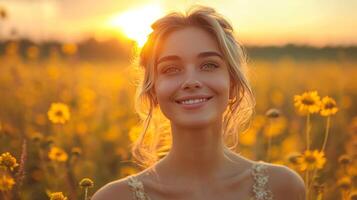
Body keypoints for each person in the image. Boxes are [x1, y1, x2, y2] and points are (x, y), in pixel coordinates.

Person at [92, 5, 305, 200]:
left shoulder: (284, 187)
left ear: (233, 83)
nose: (191, 81)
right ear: (153, 91)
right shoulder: (113, 197)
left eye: (209, 65)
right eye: (171, 69)